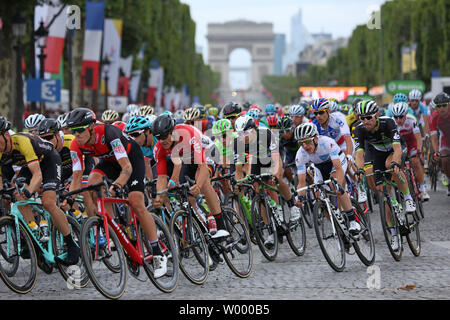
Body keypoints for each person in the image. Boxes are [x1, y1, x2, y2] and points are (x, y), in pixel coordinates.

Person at [66, 108, 168, 277]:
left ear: (91, 127)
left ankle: (158, 253)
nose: (76, 135)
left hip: (130, 160)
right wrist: (69, 198)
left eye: (79, 130)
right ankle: (112, 225)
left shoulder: (109, 133)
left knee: (135, 202)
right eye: (73, 131)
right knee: (92, 184)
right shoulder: (75, 145)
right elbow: (77, 176)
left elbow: (127, 167)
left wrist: (119, 185)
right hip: (109, 163)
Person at [0, 117, 80, 266]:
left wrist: (30, 191)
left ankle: (71, 244)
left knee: (48, 202)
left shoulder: (21, 142)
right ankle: (35, 234)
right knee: (17, 193)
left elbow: (37, 175)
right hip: (29, 165)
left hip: (49, 160)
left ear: (6, 135)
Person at [151, 114, 229, 238]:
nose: (162, 141)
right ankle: (201, 227)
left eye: (165, 136)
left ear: (173, 131)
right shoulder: (159, 148)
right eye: (158, 137)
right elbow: (161, 177)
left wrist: (198, 185)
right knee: (186, 193)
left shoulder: (187, 134)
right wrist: (160, 195)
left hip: (208, 152)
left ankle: (221, 226)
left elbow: (202, 165)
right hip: (188, 159)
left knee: (202, 183)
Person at [353, 100, 416, 251]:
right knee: (383, 192)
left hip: (394, 150)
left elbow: (397, 148)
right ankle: (394, 234)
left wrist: (396, 162)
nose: (365, 121)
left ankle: (408, 197)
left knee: (391, 166)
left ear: (376, 115)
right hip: (378, 153)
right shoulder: (360, 130)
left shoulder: (388, 123)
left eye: (369, 117)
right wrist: (359, 170)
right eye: (362, 118)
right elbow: (359, 154)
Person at [233, 115, 300, 247]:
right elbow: (239, 170)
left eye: (245, 132)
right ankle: (270, 232)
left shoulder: (265, 134)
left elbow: (276, 160)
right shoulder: (238, 143)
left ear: (253, 129)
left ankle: (292, 206)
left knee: (275, 179)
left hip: (271, 155)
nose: (243, 136)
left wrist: (274, 174)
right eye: (240, 133)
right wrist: (238, 183)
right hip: (256, 159)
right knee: (257, 190)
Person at [293, 122, 361, 235]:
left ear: (315, 138)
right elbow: (301, 182)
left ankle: (353, 220)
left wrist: (338, 184)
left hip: (336, 162)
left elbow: (338, 168)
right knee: (319, 197)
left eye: (307, 141)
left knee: (335, 187)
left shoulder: (327, 142)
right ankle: (338, 225)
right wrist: (300, 197)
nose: (305, 146)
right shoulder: (300, 154)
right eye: (301, 143)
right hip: (319, 167)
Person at [391, 102, 430, 201]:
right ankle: (405, 189)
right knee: (400, 166)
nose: (398, 120)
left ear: (405, 115)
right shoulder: (392, 123)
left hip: (412, 142)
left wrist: (419, 150)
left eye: (401, 117)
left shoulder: (412, 119)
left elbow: (418, 137)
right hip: (400, 145)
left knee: (415, 161)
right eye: (396, 117)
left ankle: (422, 188)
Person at [429, 92, 450, 196]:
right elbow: (434, 137)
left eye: (444, 105)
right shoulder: (433, 117)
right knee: (444, 158)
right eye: (439, 106)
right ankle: (448, 178)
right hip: (445, 138)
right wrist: (436, 152)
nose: (442, 108)